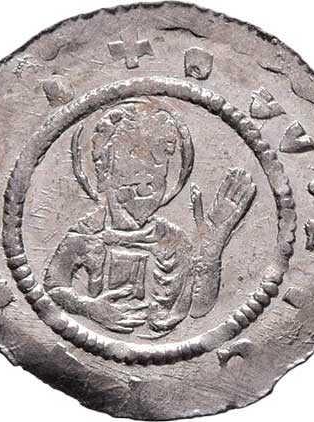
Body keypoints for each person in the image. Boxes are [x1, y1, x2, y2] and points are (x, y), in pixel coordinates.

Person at [43, 100, 256, 336]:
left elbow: (199, 308)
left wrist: (212, 246)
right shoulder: (86, 235)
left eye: (158, 164)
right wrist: (89, 308)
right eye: (133, 156)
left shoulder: (173, 239)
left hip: (169, 347)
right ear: (104, 172)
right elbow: (52, 287)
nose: (148, 177)